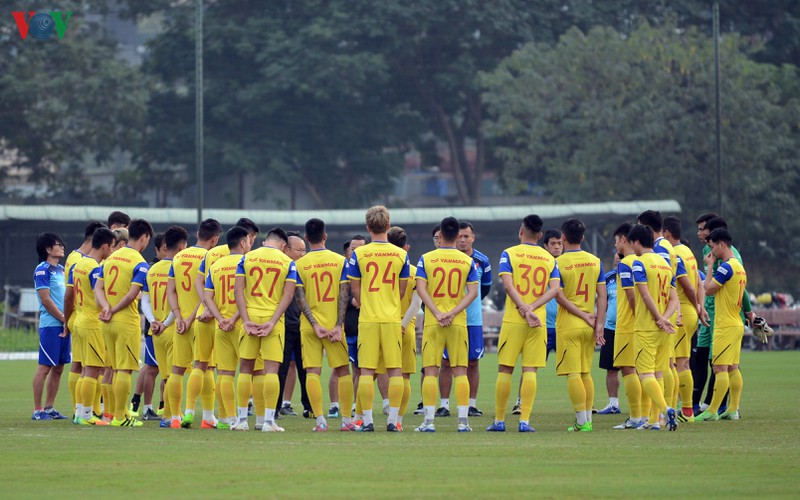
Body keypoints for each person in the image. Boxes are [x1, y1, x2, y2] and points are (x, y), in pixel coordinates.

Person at [487, 215, 559, 433]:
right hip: (538, 322)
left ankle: (499, 421)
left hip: (513, 320)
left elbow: (508, 286)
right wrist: (533, 308)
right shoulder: (549, 259)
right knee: (530, 371)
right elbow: (555, 289)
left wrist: (523, 309)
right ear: (539, 235)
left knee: (505, 369)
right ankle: (524, 421)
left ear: (521, 231)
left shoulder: (509, 253)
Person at [348, 206, 410, 432]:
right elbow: (402, 291)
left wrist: (367, 303)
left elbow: (355, 290)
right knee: (395, 371)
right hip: (391, 318)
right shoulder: (401, 254)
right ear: (388, 225)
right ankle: (393, 421)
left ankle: (368, 421)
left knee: (365, 370)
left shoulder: (359, 253)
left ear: (368, 227)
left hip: (368, 319)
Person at [414, 216, 478, 433]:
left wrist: (437, 312)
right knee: (460, 371)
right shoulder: (467, 261)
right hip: (457, 322)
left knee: (431, 371)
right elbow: (473, 292)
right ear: (458, 236)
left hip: (434, 322)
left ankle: (429, 422)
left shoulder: (426, 258)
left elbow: (421, 289)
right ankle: (463, 422)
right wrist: (452, 313)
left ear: (439, 235)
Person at [293, 218, 355, 431]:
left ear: (306, 238)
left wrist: (314, 324)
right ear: (325, 236)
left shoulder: (298, 264)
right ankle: (347, 421)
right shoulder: (340, 261)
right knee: (343, 371)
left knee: (312, 372)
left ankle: (320, 421)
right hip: (334, 327)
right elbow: (344, 295)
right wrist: (338, 325)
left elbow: (300, 298)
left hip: (311, 327)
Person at [234, 227, 298, 432]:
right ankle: (268, 421)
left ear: (266, 241)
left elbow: (238, 290)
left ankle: (242, 420)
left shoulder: (246, 258)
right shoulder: (288, 262)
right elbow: (288, 296)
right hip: (273, 320)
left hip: (251, 316)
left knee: (245, 369)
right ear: (283, 245)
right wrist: (272, 321)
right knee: (272, 370)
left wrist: (244, 320)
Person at [165, 218, 223, 429]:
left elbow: (170, 290)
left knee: (177, 370)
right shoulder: (211, 257)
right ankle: (207, 417)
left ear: (197, 234)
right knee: (206, 367)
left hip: (181, 323)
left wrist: (179, 316)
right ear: (215, 239)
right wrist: (191, 316)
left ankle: (174, 418)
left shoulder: (178, 256)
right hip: (202, 320)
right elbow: (207, 291)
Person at [95, 218, 153, 427]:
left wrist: (106, 308)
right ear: (144, 237)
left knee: (110, 367)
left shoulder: (110, 258)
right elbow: (130, 296)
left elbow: (98, 289)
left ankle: (109, 414)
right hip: (125, 321)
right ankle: (121, 416)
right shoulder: (139, 263)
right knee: (124, 370)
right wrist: (115, 309)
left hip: (106, 322)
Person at [695, 216, 753, 415]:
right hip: (736, 322)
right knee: (733, 367)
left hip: (725, 323)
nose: (711, 251)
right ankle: (732, 409)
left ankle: (712, 410)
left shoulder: (726, 267)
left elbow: (708, 289)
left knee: (719, 368)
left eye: (712, 246)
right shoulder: (739, 266)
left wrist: (710, 266)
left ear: (721, 244)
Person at [554, 218, 606, 432]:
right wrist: (599, 323)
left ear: (563, 238)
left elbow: (557, 295)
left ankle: (582, 421)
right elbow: (602, 295)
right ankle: (588, 421)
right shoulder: (595, 261)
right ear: (583, 238)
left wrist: (582, 316)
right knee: (586, 373)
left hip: (570, 323)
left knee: (574, 373)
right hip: (591, 324)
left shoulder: (557, 263)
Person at [436, 221, 491, 418]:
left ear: (473, 238)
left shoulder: (482, 261)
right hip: (447, 319)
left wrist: (469, 305)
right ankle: (444, 404)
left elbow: (484, 289)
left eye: (466, 236)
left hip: (472, 319)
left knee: (473, 362)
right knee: (446, 362)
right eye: (459, 236)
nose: (462, 240)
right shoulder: (444, 258)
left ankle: (471, 404)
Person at [628, 224, 679, 431]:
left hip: (647, 327)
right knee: (659, 373)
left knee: (645, 374)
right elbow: (674, 299)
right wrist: (665, 318)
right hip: (664, 329)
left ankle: (666, 410)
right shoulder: (665, 264)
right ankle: (653, 420)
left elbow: (644, 294)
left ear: (636, 242)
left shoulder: (639, 264)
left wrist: (658, 317)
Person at [65, 227, 115, 425]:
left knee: (84, 369)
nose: (111, 252)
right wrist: (107, 307)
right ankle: (87, 415)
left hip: (79, 320)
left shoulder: (79, 264)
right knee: (93, 370)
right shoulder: (95, 267)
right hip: (92, 322)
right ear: (104, 246)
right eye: (111, 247)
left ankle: (79, 413)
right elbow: (97, 293)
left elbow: (70, 295)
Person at [513, 228, 562, 415]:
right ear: (545, 245)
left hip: (563, 325)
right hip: (540, 323)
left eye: (560, 243)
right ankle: (520, 402)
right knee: (529, 366)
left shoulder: (565, 265)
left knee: (577, 368)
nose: (557, 247)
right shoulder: (541, 264)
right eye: (553, 244)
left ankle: (585, 406)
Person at [141, 227, 185, 427]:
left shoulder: (153, 269)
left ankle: (169, 415)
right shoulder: (178, 267)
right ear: (182, 245)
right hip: (173, 328)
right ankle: (172, 415)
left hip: (156, 330)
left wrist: (154, 322)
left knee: (166, 375)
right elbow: (178, 300)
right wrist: (166, 323)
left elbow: (145, 301)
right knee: (174, 375)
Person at [662, 216, 700, 421]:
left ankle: (681, 410)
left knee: (675, 364)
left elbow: (687, 285)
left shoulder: (675, 253)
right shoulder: (688, 252)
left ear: (666, 233)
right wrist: (699, 308)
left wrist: (694, 306)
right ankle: (686, 410)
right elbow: (699, 285)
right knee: (682, 362)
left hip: (681, 312)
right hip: (689, 312)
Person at [610, 222, 644, 429]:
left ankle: (636, 416)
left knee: (629, 370)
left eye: (616, 241)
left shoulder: (625, 264)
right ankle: (647, 415)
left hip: (628, 325)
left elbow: (632, 296)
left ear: (624, 239)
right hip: (642, 325)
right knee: (645, 371)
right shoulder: (645, 261)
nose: (616, 246)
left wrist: (637, 317)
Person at [31, 233, 69, 420]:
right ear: (48, 249)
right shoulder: (42, 270)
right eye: (57, 245)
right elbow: (45, 299)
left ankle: (49, 408)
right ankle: (37, 410)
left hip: (64, 324)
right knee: (45, 367)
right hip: (52, 325)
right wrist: (63, 318)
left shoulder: (61, 269)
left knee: (59, 367)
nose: (62, 247)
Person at [277, 232, 312, 418]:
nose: (303, 254)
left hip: (304, 324)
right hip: (285, 324)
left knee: (306, 367)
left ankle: (310, 407)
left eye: (305, 250)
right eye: (299, 250)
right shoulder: (281, 267)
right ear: (286, 249)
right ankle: (274, 408)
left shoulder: (305, 268)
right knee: (280, 368)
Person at [131, 232, 166, 421]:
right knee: (152, 368)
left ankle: (162, 405)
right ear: (157, 249)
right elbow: (144, 298)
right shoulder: (151, 269)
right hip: (155, 325)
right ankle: (145, 407)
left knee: (162, 368)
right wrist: (153, 320)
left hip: (166, 324)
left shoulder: (171, 267)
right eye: (165, 249)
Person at [597, 252, 621, 415]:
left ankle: (642, 405)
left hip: (630, 329)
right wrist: (599, 323)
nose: (617, 257)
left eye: (621, 254)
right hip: (610, 328)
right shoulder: (608, 278)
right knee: (610, 368)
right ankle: (613, 404)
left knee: (633, 369)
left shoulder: (637, 273)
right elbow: (602, 301)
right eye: (616, 255)